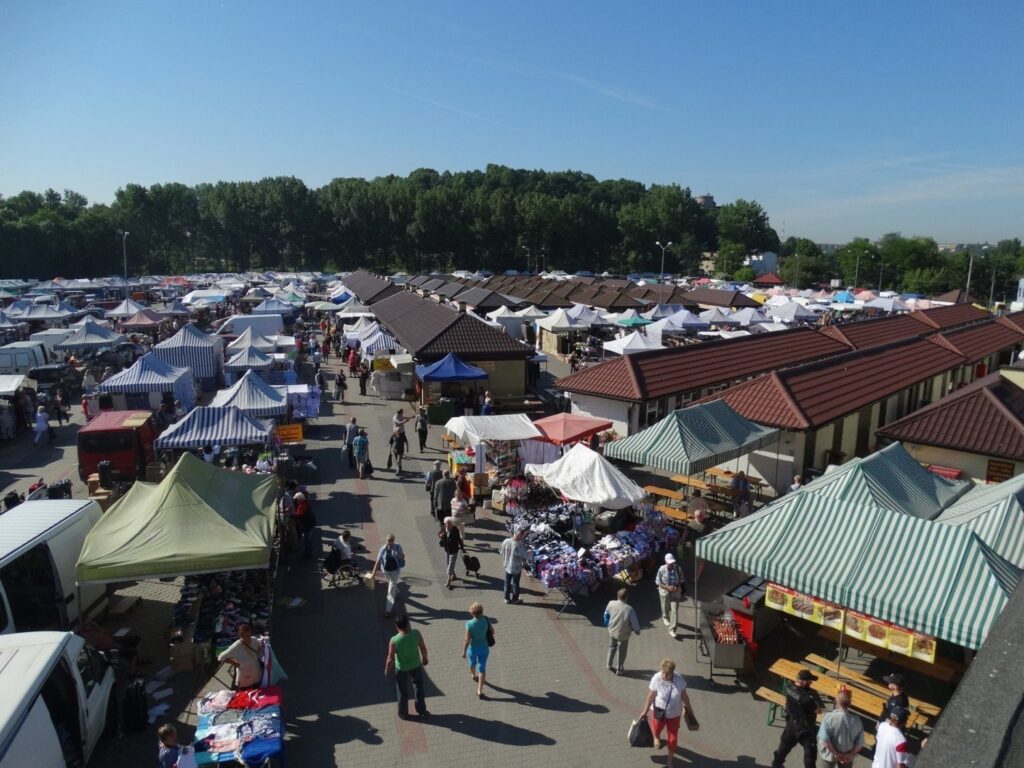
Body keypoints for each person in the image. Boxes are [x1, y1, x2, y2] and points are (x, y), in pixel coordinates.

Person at [641, 659, 695, 768]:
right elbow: (651, 696)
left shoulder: (679, 680)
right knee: (656, 728)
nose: (665, 675)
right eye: (663, 672)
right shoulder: (656, 678)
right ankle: (656, 737)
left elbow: (684, 696)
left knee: (673, 739)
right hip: (659, 712)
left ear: (673, 673)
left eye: (668, 674)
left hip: (674, 714)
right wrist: (645, 711)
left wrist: (690, 709)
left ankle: (670, 760)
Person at [771, 669, 824, 768]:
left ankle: (776, 764)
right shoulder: (807, 698)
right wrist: (813, 698)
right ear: (804, 681)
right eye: (810, 681)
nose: (811, 682)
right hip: (805, 729)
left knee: (784, 747)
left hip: (791, 725)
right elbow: (819, 711)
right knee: (810, 756)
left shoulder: (788, 687)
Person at [384, 615, 429, 720]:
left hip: (401, 668)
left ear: (397, 626)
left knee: (402, 690)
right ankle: (421, 710)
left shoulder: (394, 640)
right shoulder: (416, 633)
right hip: (416, 665)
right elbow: (423, 647)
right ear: (407, 624)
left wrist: (387, 669)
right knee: (418, 687)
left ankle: (403, 713)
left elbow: (390, 658)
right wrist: (425, 659)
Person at [818, 685, 865, 767]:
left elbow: (825, 740)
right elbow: (860, 743)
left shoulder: (828, 718)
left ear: (836, 702)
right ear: (849, 703)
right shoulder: (857, 720)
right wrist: (851, 754)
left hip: (829, 755)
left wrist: (836, 753)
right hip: (847, 756)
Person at [217, 623, 264, 689]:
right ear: (241, 636)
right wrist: (233, 662)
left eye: (249, 635)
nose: (248, 638)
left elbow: (258, 649)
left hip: (256, 675)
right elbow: (220, 657)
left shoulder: (254, 640)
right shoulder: (236, 646)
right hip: (245, 678)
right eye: (246, 636)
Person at [604, 587, 640, 674]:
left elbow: (606, 614)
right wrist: (637, 631)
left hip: (612, 631)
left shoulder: (611, 603)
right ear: (627, 597)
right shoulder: (629, 609)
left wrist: (607, 624)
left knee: (612, 647)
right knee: (622, 651)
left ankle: (609, 664)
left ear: (617, 596)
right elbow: (635, 623)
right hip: (624, 633)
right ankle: (619, 668)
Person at [461, 602, 492, 699]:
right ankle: (479, 690)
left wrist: (464, 651)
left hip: (473, 648)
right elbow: (492, 631)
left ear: (472, 613)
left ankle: (473, 675)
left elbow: (467, 640)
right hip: (484, 648)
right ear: (481, 612)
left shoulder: (469, 624)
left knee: (472, 663)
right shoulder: (486, 620)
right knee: (482, 669)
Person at [370, 533, 405, 617]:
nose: (389, 542)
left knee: (390, 589)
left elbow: (403, 557)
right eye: (388, 540)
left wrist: (397, 554)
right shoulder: (383, 549)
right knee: (391, 584)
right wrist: (373, 574)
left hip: (395, 571)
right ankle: (395, 591)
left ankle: (388, 610)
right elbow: (378, 561)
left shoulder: (398, 547)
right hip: (385, 571)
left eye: (391, 540)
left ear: (393, 540)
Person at [499, 526, 532, 604]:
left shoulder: (506, 541)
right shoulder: (518, 546)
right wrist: (530, 552)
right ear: (519, 535)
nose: (522, 538)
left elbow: (500, 551)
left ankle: (506, 598)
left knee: (507, 583)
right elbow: (526, 556)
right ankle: (515, 599)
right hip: (516, 568)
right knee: (515, 584)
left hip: (507, 566)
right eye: (522, 536)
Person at [656, 553, 683, 638]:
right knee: (665, 607)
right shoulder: (661, 569)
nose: (671, 564)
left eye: (672, 562)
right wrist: (667, 587)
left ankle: (671, 629)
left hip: (675, 593)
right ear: (666, 562)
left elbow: (681, 579)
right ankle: (665, 618)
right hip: (665, 592)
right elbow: (657, 582)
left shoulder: (678, 569)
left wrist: (676, 587)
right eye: (669, 563)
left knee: (674, 610)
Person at [438, 516, 465, 589]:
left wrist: (462, 547)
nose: (447, 525)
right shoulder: (443, 528)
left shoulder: (455, 530)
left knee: (450, 566)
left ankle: (449, 580)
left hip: (454, 550)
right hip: (447, 549)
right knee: (448, 563)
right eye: (446, 523)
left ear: (452, 524)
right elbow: (439, 534)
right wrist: (441, 536)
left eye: (449, 524)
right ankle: (454, 576)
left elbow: (459, 539)